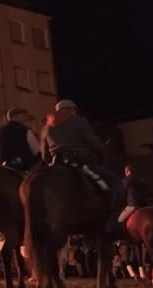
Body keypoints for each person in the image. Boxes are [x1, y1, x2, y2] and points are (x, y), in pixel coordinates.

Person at [40, 99, 123, 232]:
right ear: (72, 110)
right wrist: (102, 157)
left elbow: (44, 155)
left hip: (57, 164)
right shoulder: (79, 121)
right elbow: (95, 143)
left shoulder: (46, 127)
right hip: (81, 162)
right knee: (116, 185)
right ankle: (111, 221)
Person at [0, 107, 40, 171]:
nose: (24, 119)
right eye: (22, 116)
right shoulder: (25, 131)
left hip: (4, 168)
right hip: (24, 168)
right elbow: (36, 150)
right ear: (15, 117)